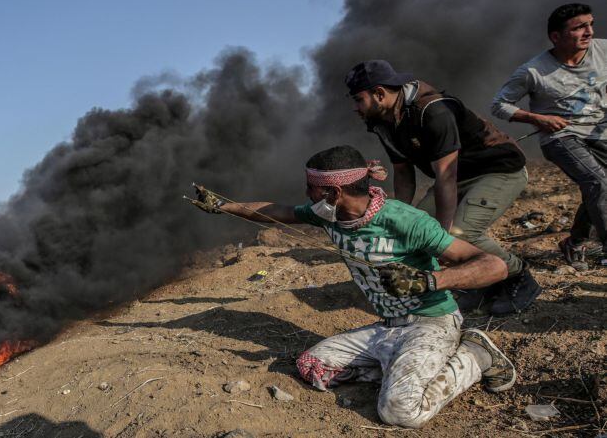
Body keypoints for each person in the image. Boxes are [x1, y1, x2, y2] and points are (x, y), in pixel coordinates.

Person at [191, 145, 516, 429]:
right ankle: (398, 370)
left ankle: (475, 355)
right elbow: (279, 212)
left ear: (334, 193)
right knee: (312, 367)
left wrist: (429, 281)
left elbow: (494, 265)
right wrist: (224, 205)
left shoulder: (405, 221)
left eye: (312, 189)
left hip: (431, 323)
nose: (307, 195)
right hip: (387, 329)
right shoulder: (327, 215)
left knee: (399, 411)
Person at [345, 60, 540, 315]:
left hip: (498, 170)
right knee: (416, 230)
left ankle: (518, 275)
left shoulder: (433, 111)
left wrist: (444, 239)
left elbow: (445, 176)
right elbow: (403, 172)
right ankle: (481, 282)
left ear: (379, 94)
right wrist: (398, 219)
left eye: (359, 99)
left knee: (456, 235)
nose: (356, 108)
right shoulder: (382, 120)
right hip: (456, 178)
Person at [492, 2, 607, 270]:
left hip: (598, 130)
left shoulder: (603, 50)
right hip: (560, 137)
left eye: (590, 24)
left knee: (599, 188)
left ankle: (575, 241)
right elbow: (499, 105)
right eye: (579, 27)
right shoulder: (533, 71)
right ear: (556, 36)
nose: (589, 32)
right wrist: (537, 118)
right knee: (599, 182)